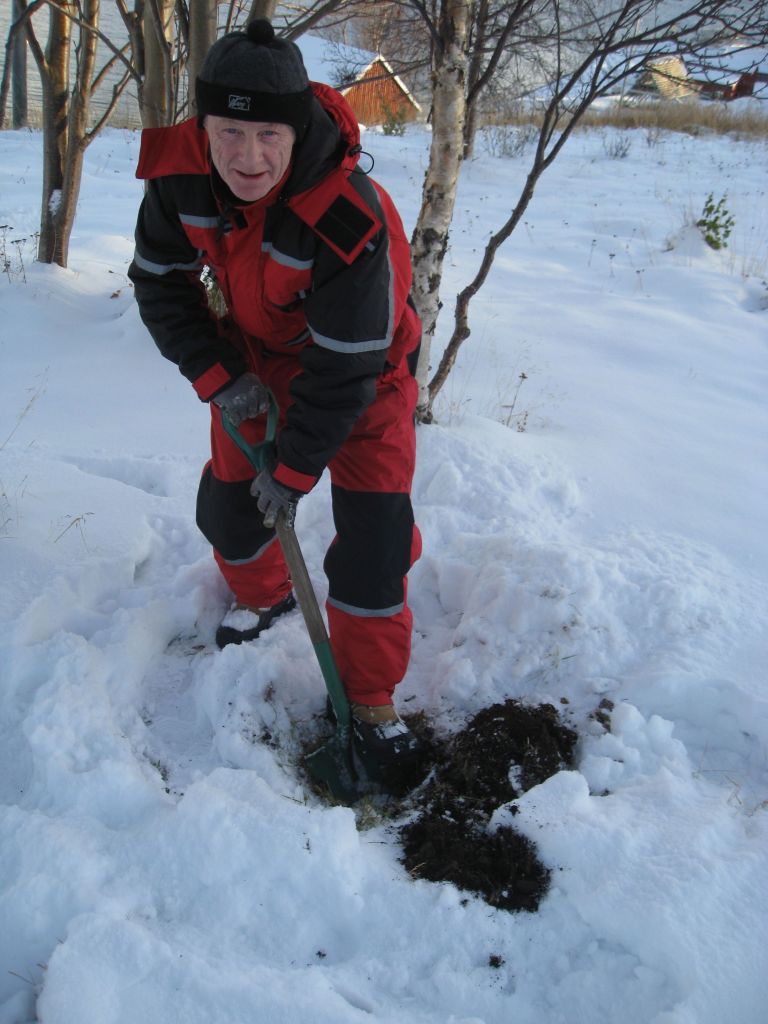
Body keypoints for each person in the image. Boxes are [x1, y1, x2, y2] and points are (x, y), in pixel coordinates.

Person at [128, 19, 423, 785]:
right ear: (205, 126)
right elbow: (159, 285)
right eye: (228, 131)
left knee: (371, 550)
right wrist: (220, 378)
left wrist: (294, 471)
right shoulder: (182, 177)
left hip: (363, 382)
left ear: (295, 133)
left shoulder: (349, 215)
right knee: (230, 511)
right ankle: (265, 597)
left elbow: (346, 370)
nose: (246, 157)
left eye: (267, 135)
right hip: (254, 365)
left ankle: (369, 702)